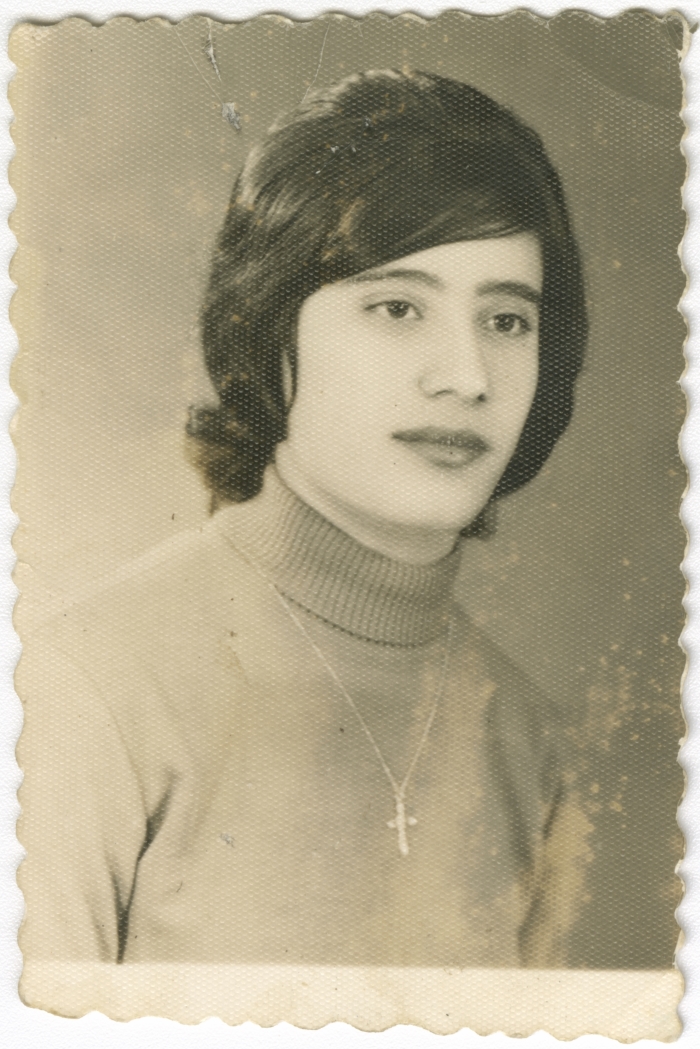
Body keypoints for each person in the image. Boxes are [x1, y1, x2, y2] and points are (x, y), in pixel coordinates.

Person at [18, 69, 591, 968]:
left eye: (508, 320)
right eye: (398, 307)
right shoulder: (85, 687)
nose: (468, 375)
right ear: (268, 327)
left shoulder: (530, 739)